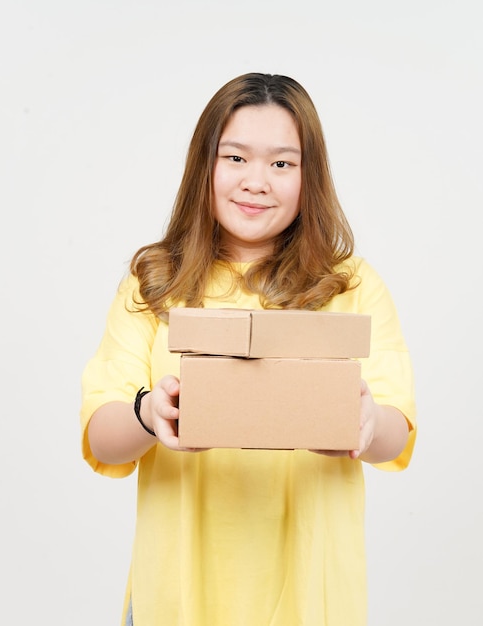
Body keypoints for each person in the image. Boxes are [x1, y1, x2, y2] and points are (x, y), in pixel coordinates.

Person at [80, 72, 417, 626]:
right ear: (203, 166)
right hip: (177, 596)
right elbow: (101, 435)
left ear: (310, 177)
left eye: (282, 163)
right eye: (235, 158)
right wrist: (149, 413)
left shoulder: (351, 284)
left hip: (311, 598)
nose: (256, 181)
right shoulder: (154, 282)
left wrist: (365, 421)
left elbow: (396, 431)